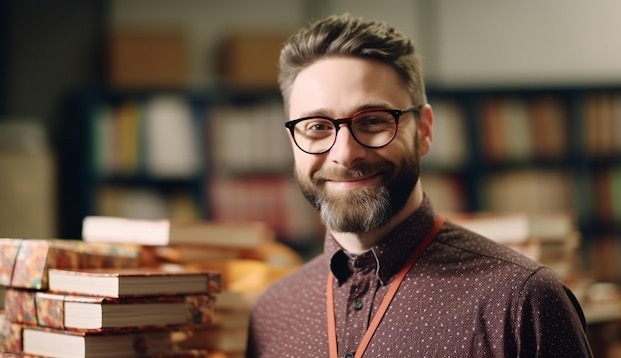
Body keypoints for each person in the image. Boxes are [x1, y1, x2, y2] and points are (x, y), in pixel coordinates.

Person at [245, 13, 593, 358]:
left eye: (373, 121)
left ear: (424, 130)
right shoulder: (272, 314)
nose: (345, 154)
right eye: (318, 127)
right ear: (293, 141)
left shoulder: (521, 300)